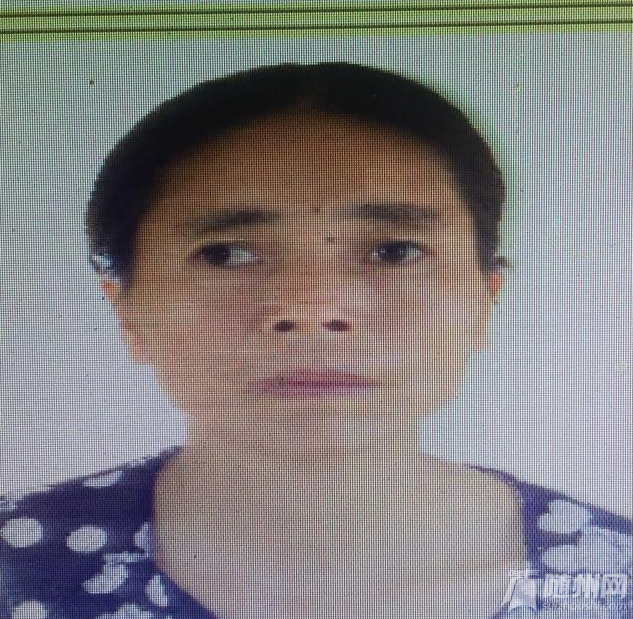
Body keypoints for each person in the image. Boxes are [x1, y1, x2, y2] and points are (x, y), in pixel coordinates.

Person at [1, 62, 630, 619]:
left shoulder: (613, 573)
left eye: (393, 251)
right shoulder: (19, 561)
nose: (311, 309)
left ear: (482, 301)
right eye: (226, 253)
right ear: (129, 310)